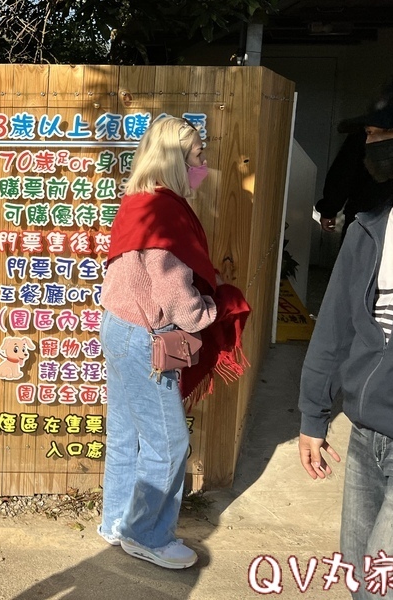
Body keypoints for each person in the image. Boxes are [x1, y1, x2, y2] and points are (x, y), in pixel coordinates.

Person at [98, 115, 249, 570]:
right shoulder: (167, 212)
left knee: (126, 435)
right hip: (148, 339)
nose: (204, 164)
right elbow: (179, 301)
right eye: (198, 156)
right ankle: (148, 536)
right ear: (176, 161)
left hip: (118, 328)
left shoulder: (139, 200)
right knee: (168, 443)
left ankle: (118, 522)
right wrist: (217, 307)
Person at [299, 69, 393, 599]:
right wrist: (312, 416)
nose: (368, 142)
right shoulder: (370, 225)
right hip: (365, 438)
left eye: (382, 131)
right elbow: (336, 327)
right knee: (361, 577)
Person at [316, 129, 393, 238]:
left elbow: (344, 171)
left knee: (357, 251)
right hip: (389, 209)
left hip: (365, 208)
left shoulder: (369, 128)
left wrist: (329, 209)